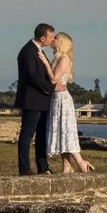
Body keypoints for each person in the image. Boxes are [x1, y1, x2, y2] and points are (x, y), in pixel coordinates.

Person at [42, 32, 95, 174]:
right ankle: (66, 166)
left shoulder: (64, 58)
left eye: (56, 38)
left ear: (62, 42)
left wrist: (45, 63)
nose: (53, 39)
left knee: (67, 132)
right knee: (60, 133)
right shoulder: (57, 58)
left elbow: (54, 79)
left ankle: (81, 162)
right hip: (55, 99)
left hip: (62, 100)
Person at [15, 23, 56, 176]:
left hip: (42, 100)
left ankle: (43, 166)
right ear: (42, 37)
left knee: (42, 134)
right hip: (32, 99)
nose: (52, 40)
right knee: (27, 134)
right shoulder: (28, 51)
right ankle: (24, 168)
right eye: (51, 37)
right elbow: (32, 76)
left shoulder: (39, 51)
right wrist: (49, 88)